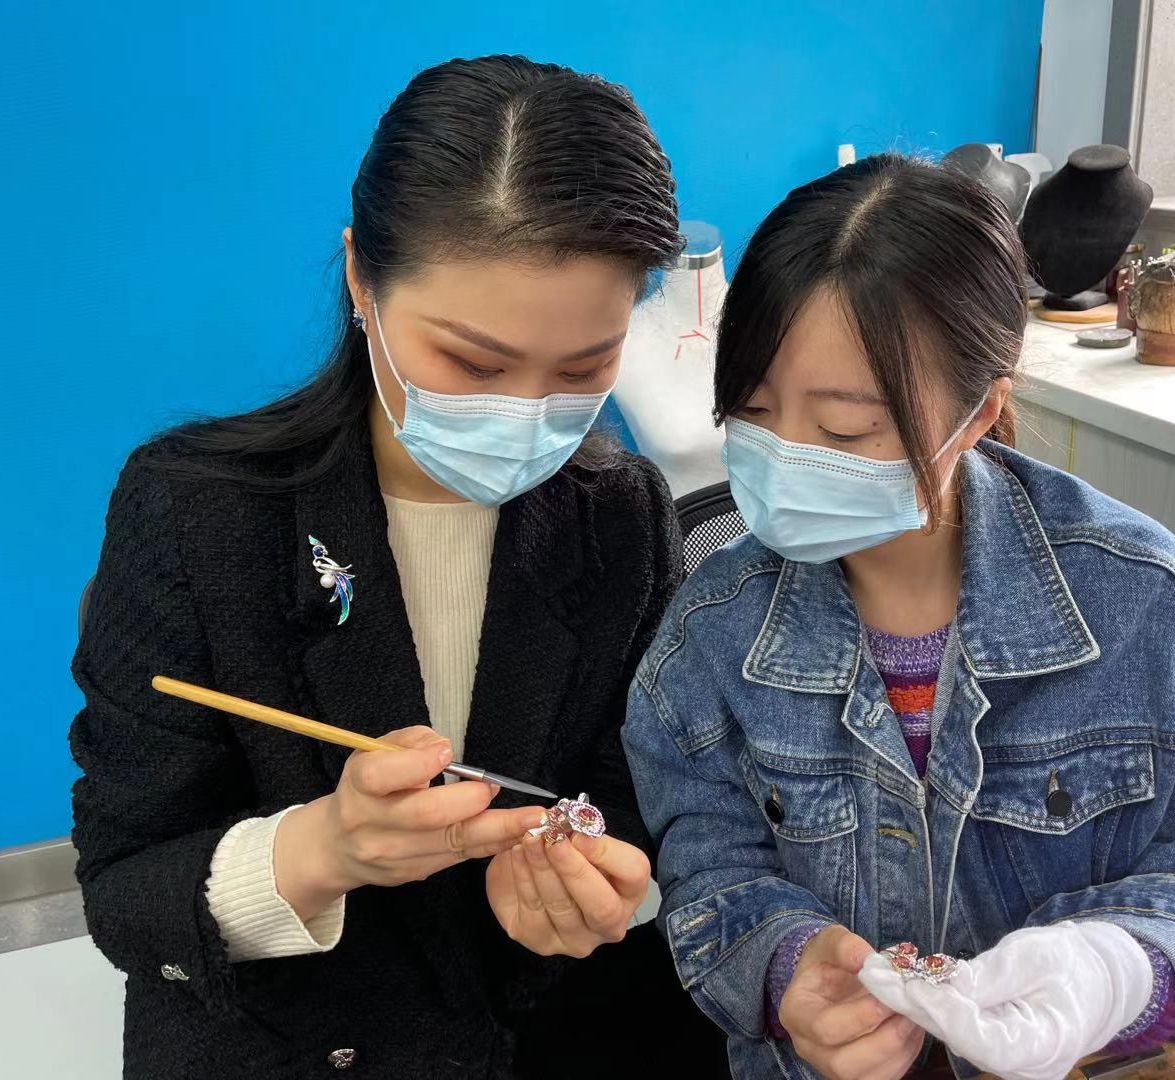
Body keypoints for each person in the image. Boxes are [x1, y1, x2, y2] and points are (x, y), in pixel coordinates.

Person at [71, 54, 727, 1079]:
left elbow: (651, 796)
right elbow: (125, 891)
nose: (526, 414)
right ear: (361, 279)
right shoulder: (197, 514)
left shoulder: (622, 515)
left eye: (583, 368)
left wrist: (605, 885)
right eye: (473, 362)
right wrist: (320, 850)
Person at [622, 153, 1175, 1080]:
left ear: (979, 412)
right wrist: (784, 965)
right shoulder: (712, 632)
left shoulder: (1150, 613)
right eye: (752, 411)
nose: (784, 457)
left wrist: (1113, 974)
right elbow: (707, 868)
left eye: (845, 429)